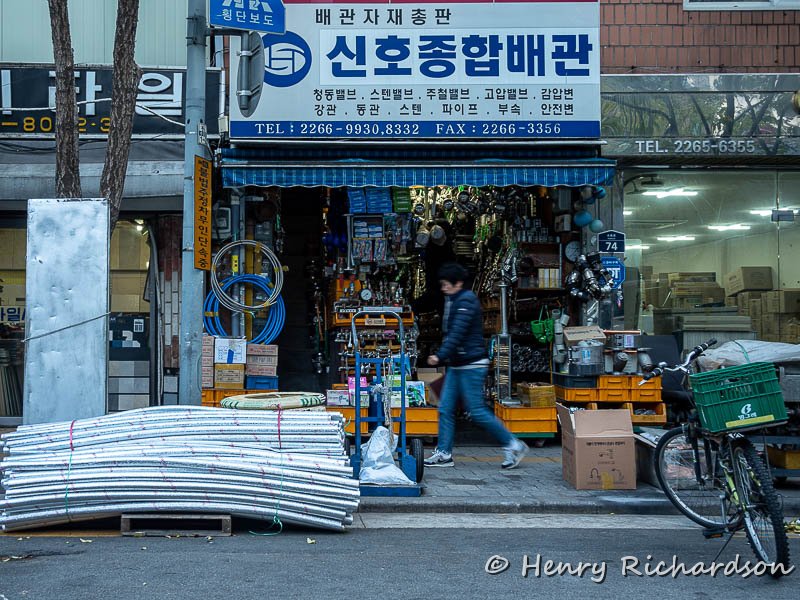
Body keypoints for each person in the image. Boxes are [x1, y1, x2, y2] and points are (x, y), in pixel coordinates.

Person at [424, 263, 528, 469]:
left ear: (458, 283)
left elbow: (457, 333)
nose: (443, 287)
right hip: (457, 365)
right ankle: (444, 453)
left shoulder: (466, 301)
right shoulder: (452, 299)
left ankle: (513, 444)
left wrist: (440, 356)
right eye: (442, 284)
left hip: (472, 365)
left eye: (446, 284)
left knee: (477, 411)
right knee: (445, 409)